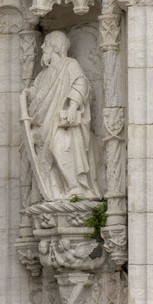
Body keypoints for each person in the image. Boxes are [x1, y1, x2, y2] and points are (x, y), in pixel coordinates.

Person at [23, 31, 99, 201]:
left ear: (55, 47)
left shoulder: (70, 65)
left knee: (59, 148)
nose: (42, 47)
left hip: (62, 123)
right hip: (44, 123)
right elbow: (38, 93)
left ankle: (75, 187)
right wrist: (28, 93)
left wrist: (72, 107)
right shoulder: (43, 74)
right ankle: (56, 191)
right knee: (47, 151)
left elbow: (80, 84)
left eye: (46, 44)